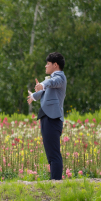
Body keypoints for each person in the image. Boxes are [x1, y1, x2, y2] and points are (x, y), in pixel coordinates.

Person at [27, 52, 67, 181]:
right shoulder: (50, 80)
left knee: (54, 154)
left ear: (55, 65)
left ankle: (56, 182)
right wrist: (33, 96)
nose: (45, 66)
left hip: (53, 118)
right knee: (50, 153)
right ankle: (54, 181)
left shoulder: (59, 77)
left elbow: (50, 83)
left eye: (48, 64)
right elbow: (43, 92)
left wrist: (43, 84)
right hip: (47, 117)